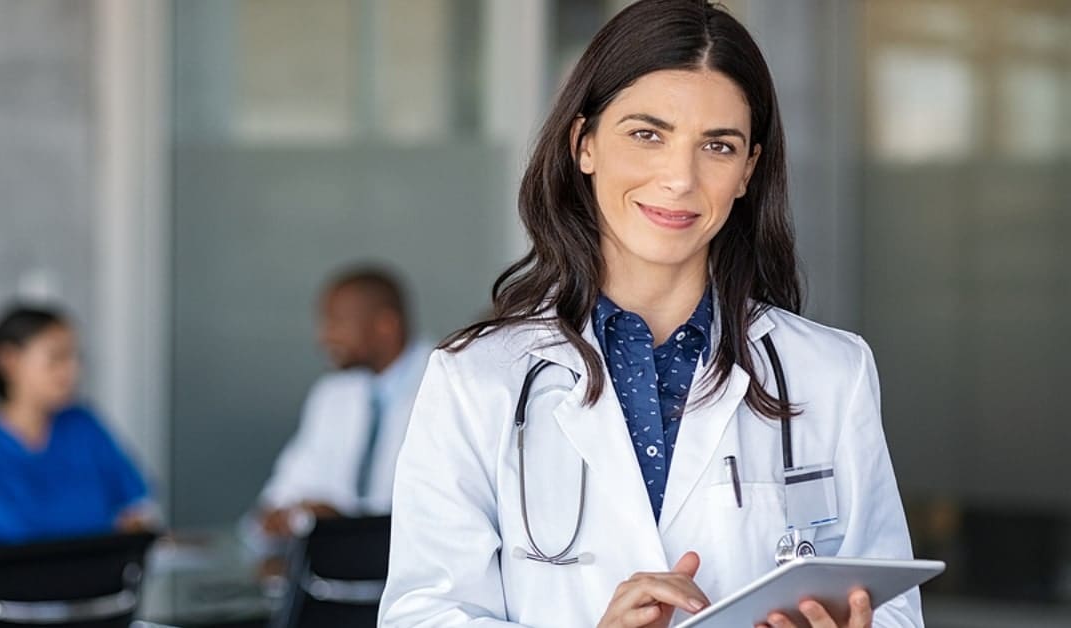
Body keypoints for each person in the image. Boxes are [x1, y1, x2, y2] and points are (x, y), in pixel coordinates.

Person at [378, 1, 922, 627]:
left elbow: (893, 608)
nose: (679, 178)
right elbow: (422, 615)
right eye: (647, 134)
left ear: (747, 170)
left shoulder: (831, 372)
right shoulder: (476, 378)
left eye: (717, 146)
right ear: (584, 143)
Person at [0, 304, 157, 554]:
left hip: (96, 589)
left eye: (75, 358)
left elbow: (137, 511)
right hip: (1, 593)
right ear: (9, 360)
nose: (72, 370)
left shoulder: (85, 429)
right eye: (56, 358)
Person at [242, 267, 429, 546]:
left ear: (385, 326)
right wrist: (282, 516)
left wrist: (342, 523)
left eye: (337, 323)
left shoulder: (447, 387)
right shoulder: (332, 395)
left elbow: (434, 514)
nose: (324, 338)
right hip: (332, 575)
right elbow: (282, 494)